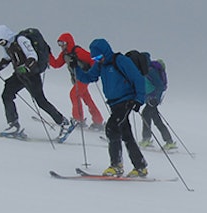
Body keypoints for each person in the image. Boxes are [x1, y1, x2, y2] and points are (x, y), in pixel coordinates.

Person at [74, 39, 150, 177]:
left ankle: (116, 165)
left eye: (99, 56)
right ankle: (140, 166)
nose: (98, 59)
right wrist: (76, 68)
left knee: (111, 127)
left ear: (105, 51)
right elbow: (88, 78)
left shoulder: (120, 60)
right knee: (126, 135)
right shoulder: (100, 65)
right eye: (95, 58)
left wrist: (139, 99)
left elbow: (137, 78)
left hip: (126, 101)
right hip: (114, 103)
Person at [0, 25, 75, 140]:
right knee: (7, 95)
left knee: (41, 101)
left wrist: (26, 67)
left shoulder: (21, 40)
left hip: (32, 75)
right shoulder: (8, 46)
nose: (1, 45)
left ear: (5, 36)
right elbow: (7, 58)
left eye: (1, 42)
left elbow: (32, 56)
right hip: (20, 75)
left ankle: (64, 123)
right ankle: (13, 125)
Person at [48, 33, 104, 131]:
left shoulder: (77, 51)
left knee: (74, 94)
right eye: (59, 44)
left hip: (84, 78)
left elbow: (92, 60)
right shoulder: (65, 54)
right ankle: (98, 121)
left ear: (69, 42)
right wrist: (48, 54)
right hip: (77, 80)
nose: (61, 46)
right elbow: (56, 64)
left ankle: (78, 120)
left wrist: (91, 73)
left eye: (63, 43)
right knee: (86, 98)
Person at [139, 57, 176, 150]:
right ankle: (165, 140)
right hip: (152, 99)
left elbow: (159, 86)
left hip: (152, 99)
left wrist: (154, 98)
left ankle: (167, 141)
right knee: (148, 116)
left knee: (154, 118)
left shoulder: (150, 71)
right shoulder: (150, 70)